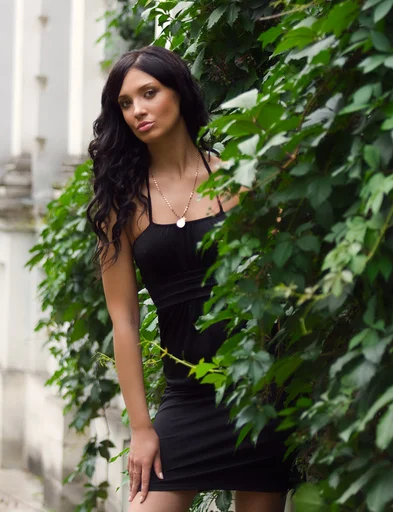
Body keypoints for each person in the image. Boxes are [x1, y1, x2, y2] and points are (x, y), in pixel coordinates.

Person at [87, 46, 292, 512]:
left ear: (177, 92)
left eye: (149, 93)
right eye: (125, 102)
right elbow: (125, 324)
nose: (137, 109)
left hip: (256, 397)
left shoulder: (240, 178)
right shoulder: (122, 205)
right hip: (186, 401)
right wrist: (141, 429)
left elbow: (278, 272)